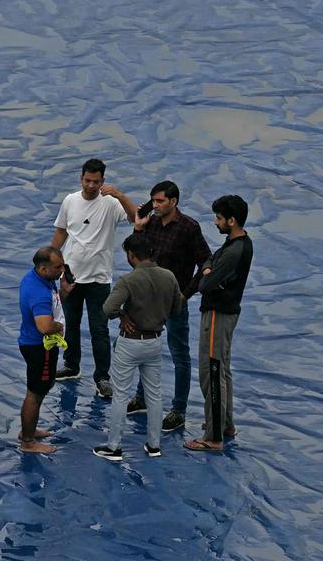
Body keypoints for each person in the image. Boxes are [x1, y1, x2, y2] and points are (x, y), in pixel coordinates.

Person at [126, 180, 211, 433]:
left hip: (174, 301)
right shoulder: (149, 223)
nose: (155, 205)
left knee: (179, 354)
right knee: (143, 346)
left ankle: (179, 410)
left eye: (160, 201)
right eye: (153, 201)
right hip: (148, 298)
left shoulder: (188, 227)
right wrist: (138, 229)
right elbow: (134, 257)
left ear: (174, 202)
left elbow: (206, 259)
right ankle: (141, 397)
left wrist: (186, 293)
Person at [50, 158, 137, 400]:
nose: (91, 185)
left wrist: (119, 194)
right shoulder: (70, 201)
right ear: (81, 178)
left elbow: (135, 216)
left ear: (103, 182)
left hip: (99, 279)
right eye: (87, 180)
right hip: (71, 275)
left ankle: (102, 377)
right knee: (71, 324)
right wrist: (49, 260)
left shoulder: (110, 203)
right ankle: (71, 365)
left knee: (99, 329)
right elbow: (61, 231)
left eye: (96, 182)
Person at [94, 234, 183, 461]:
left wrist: (122, 314)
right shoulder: (169, 276)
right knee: (154, 394)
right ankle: (154, 445)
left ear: (131, 255)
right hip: (154, 341)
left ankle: (114, 446)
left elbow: (107, 308)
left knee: (121, 395)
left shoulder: (129, 280)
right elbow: (176, 308)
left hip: (130, 342)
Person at [185, 195, 254, 453]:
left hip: (218, 313)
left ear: (231, 220)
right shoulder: (236, 242)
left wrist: (207, 273)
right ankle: (224, 424)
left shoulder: (234, 250)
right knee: (222, 369)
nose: (215, 222)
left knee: (212, 371)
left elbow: (205, 284)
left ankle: (213, 437)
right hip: (225, 312)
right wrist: (208, 268)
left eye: (218, 218)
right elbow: (208, 262)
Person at [17, 246, 73, 453]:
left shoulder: (40, 280)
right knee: (36, 393)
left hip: (35, 344)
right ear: (42, 268)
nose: (62, 270)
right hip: (39, 347)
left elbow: (54, 306)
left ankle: (28, 431)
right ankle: (28, 441)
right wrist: (59, 326)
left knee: (40, 387)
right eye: (58, 267)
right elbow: (44, 326)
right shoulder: (39, 292)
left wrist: (64, 292)